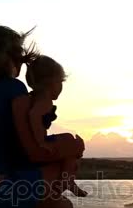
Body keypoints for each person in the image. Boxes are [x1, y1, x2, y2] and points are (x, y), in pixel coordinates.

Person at [0, 25, 85, 208]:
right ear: (16, 56)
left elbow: (13, 150)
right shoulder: (15, 90)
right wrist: (74, 148)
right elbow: (34, 153)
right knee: (70, 151)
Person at [25, 55, 88, 197]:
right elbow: (34, 116)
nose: (61, 86)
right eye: (60, 82)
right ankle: (68, 180)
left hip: (39, 141)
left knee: (70, 145)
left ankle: (68, 179)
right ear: (51, 83)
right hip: (39, 142)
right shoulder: (44, 101)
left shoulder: (34, 97)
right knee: (74, 144)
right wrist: (41, 141)